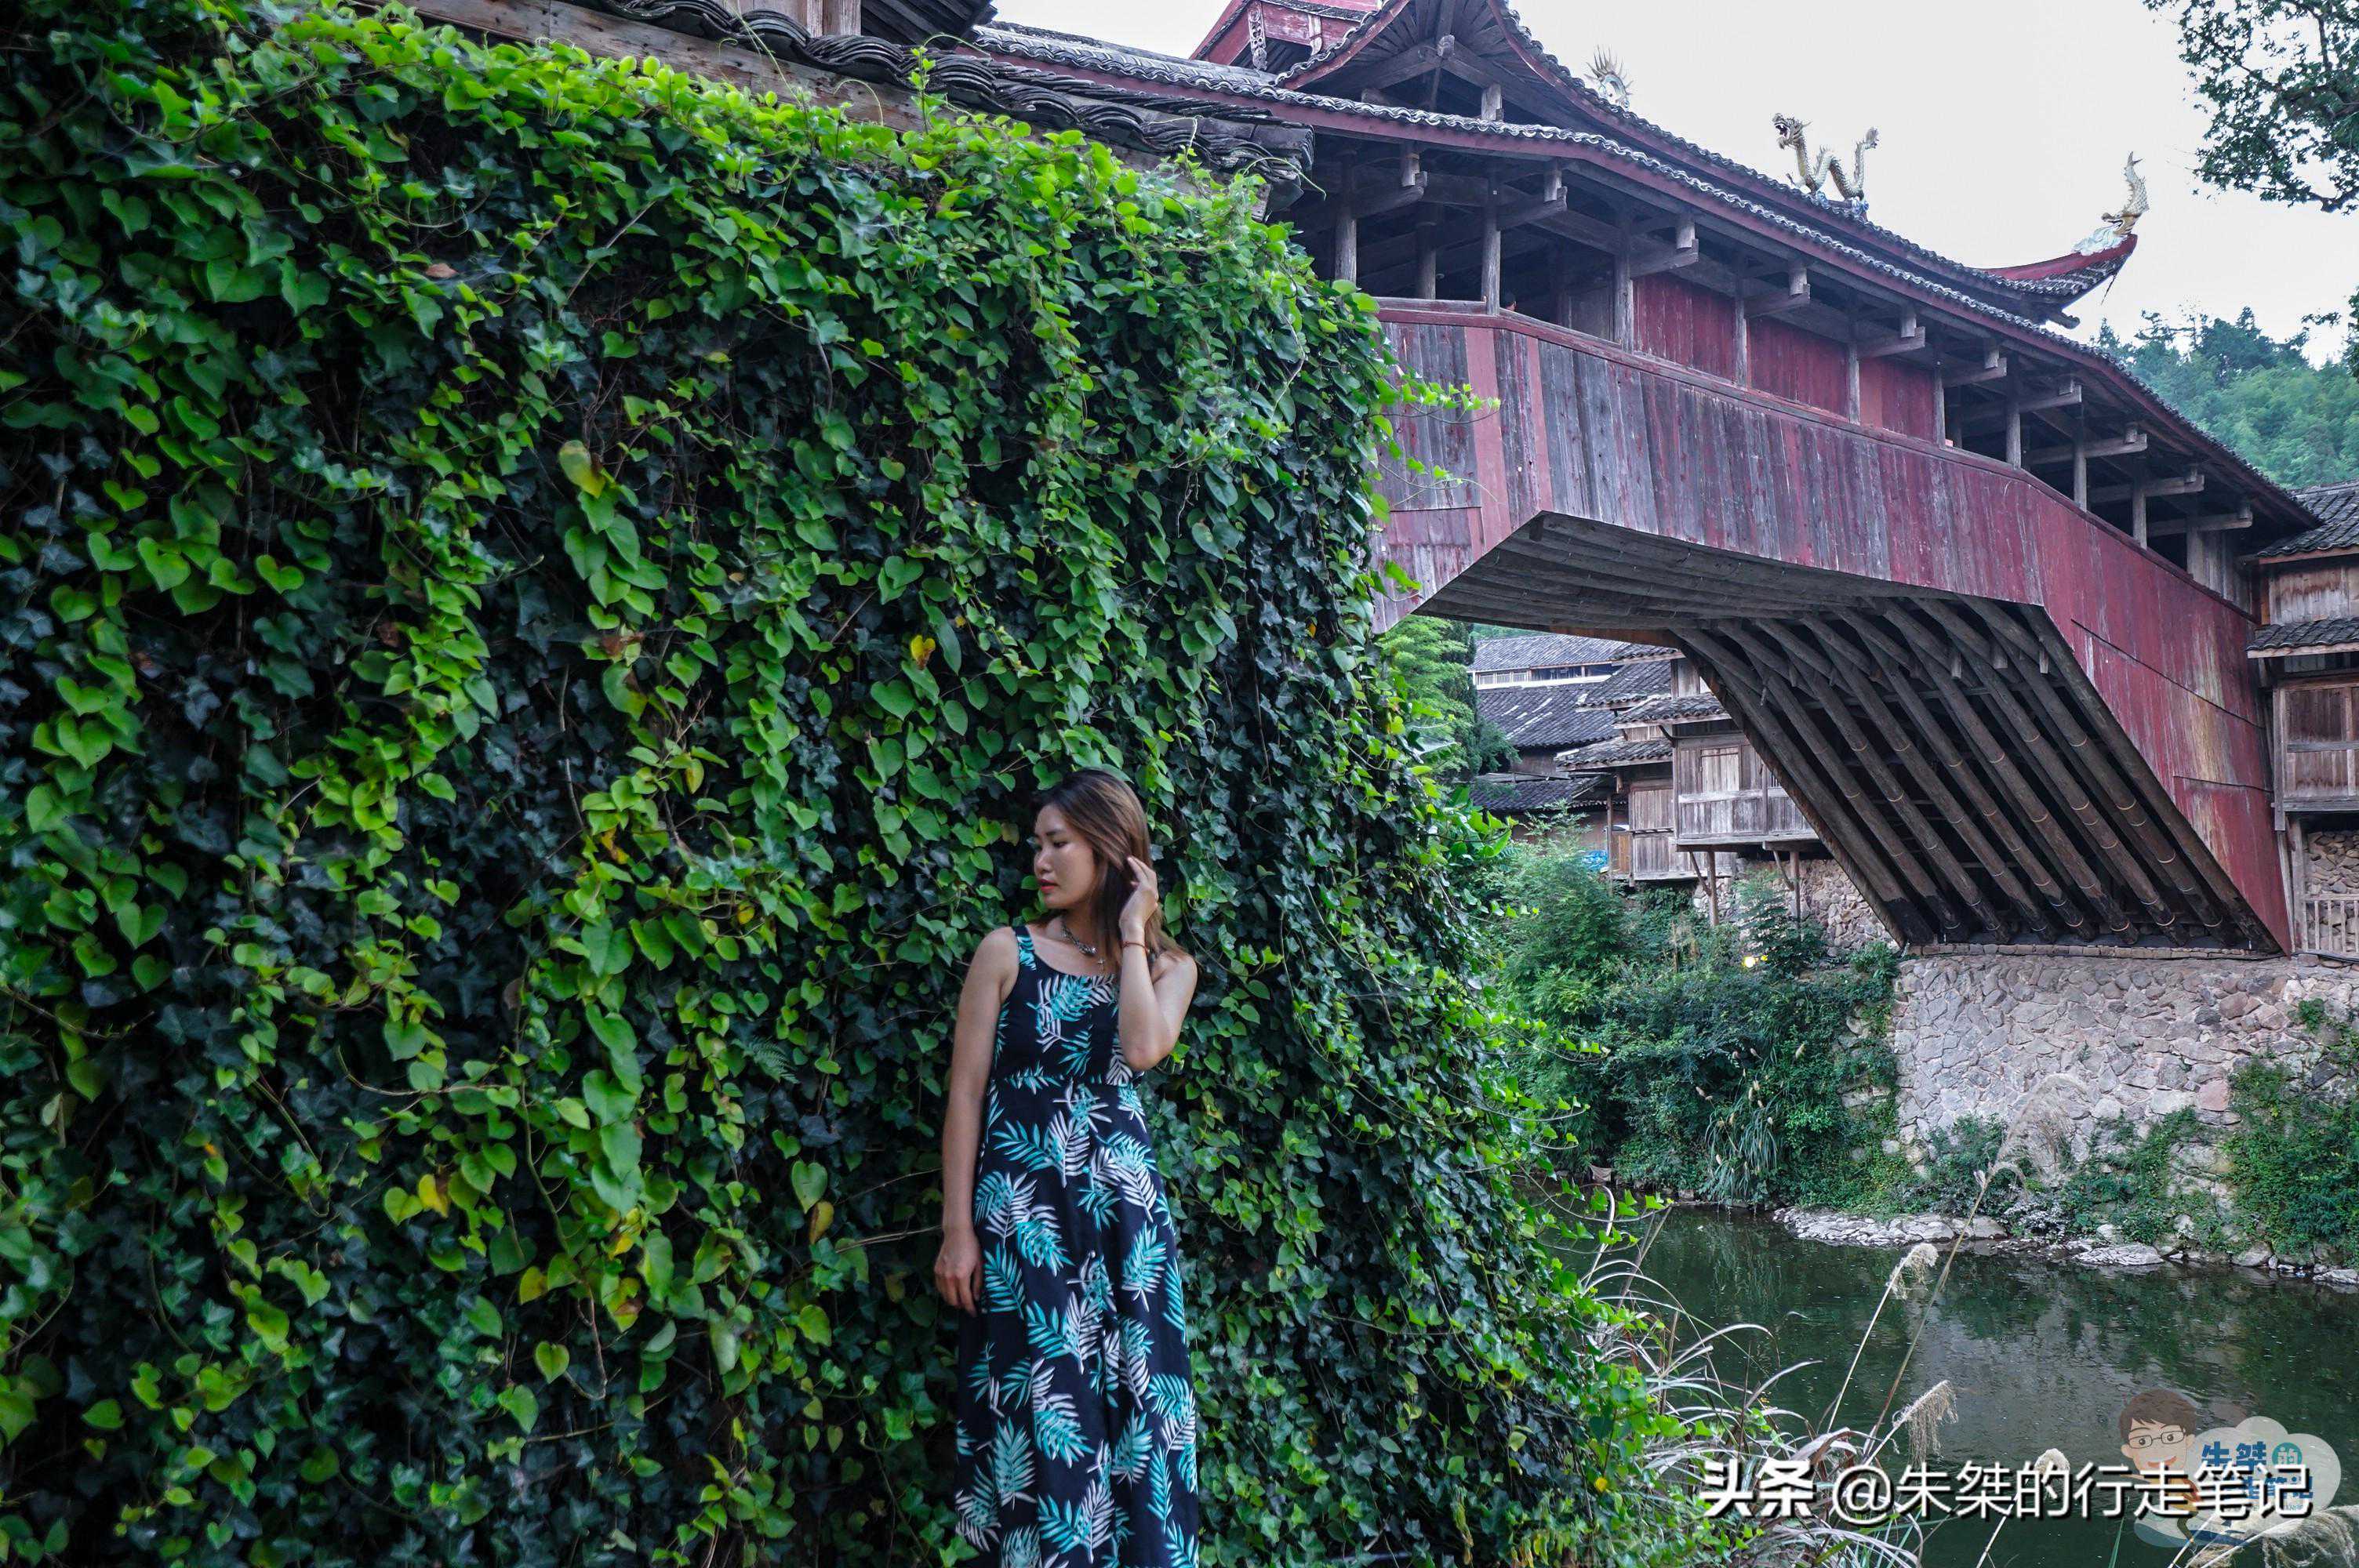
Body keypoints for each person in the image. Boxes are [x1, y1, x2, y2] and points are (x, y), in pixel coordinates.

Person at [936, 768, 1203, 1563]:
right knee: (1046, 1408)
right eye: (1037, 845)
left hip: (1125, 1231)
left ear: (1109, 850)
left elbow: (1141, 1047)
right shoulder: (1006, 953)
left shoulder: (1169, 969)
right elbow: (965, 1094)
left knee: (1137, 1410)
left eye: (1058, 843)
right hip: (1026, 1223)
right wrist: (956, 1230)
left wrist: (1132, 933)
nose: (1040, 862)